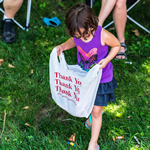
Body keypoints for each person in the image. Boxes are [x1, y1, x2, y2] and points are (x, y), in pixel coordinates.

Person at [56, 3, 120, 150]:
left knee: (97, 111)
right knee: (87, 102)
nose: (80, 38)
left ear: (92, 26)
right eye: (77, 35)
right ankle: (90, 118)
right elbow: (73, 41)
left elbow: (116, 45)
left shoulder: (102, 35)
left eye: (83, 34)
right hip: (84, 77)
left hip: (101, 79)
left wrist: (107, 59)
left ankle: (93, 143)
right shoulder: (77, 35)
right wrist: (63, 47)